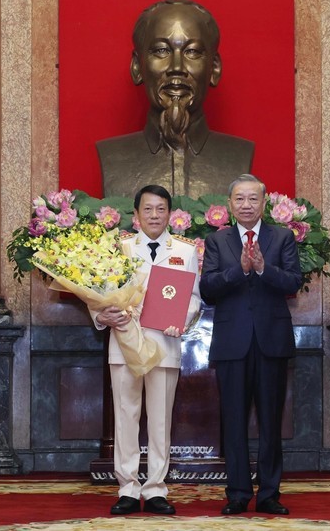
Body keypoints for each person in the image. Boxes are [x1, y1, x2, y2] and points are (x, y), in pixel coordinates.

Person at [91, 184, 201, 516]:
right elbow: (98, 292)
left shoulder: (186, 250)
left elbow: (194, 297)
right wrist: (101, 314)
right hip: (125, 342)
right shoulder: (118, 248)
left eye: (161, 209)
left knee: (160, 420)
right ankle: (127, 487)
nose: (155, 215)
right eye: (148, 209)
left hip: (164, 344)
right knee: (126, 416)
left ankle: (155, 488)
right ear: (136, 214)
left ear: (171, 214)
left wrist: (181, 318)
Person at [199, 174, 302, 516]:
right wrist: (240, 271)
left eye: (253, 199)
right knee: (234, 420)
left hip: (271, 341)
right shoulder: (218, 241)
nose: (246, 205)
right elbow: (208, 288)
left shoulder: (282, 238)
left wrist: (262, 268)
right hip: (232, 343)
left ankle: (270, 493)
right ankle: (238, 493)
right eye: (240, 199)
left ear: (264, 203)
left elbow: (293, 282)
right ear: (230, 204)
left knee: (271, 421)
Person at [97, 0, 254, 198]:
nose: (177, 68)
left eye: (192, 52)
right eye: (162, 51)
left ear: (214, 68)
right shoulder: (113, 155)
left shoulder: (239, 154)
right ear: (137, 66)